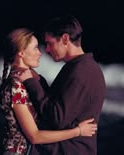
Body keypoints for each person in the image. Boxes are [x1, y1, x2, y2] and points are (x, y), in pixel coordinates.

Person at [0, 28, 98, 155]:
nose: (40, 53)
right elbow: (35, 136)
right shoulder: (16, 86)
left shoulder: (28, 79)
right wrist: (78, 131)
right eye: (35, 48)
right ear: (21, 53)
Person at [19, 15, 106, 155]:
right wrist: (38, 80)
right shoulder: (83, 67)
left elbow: (57, 118)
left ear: (65, 39)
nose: (47, 49)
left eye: (49, 43)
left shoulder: (81, 72)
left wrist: (31, 83)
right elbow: (58, 103)